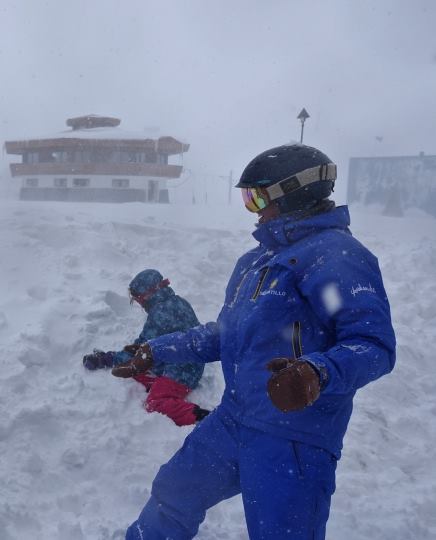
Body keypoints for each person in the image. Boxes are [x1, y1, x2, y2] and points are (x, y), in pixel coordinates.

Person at [112, 144, 396, 539]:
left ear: (294, 192)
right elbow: (225, 336)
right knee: (173, 493)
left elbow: (373, 345)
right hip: (233, 420)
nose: (255, 208)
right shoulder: (255, 262)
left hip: (294, 439)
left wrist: (316, 372)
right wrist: (155, 350)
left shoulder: (336, 257)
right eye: (248, 198)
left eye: (258, 196)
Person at [82, 269, 208, 426]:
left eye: (138, 300)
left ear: (149, 293)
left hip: (183, 370)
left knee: (155, 403)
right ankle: (160, 384)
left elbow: (142, 352)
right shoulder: (177, 302)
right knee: (138, 373)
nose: (140, 304)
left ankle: (201, 416)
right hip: (186, 359)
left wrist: (109, 359)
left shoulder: (161, 313)